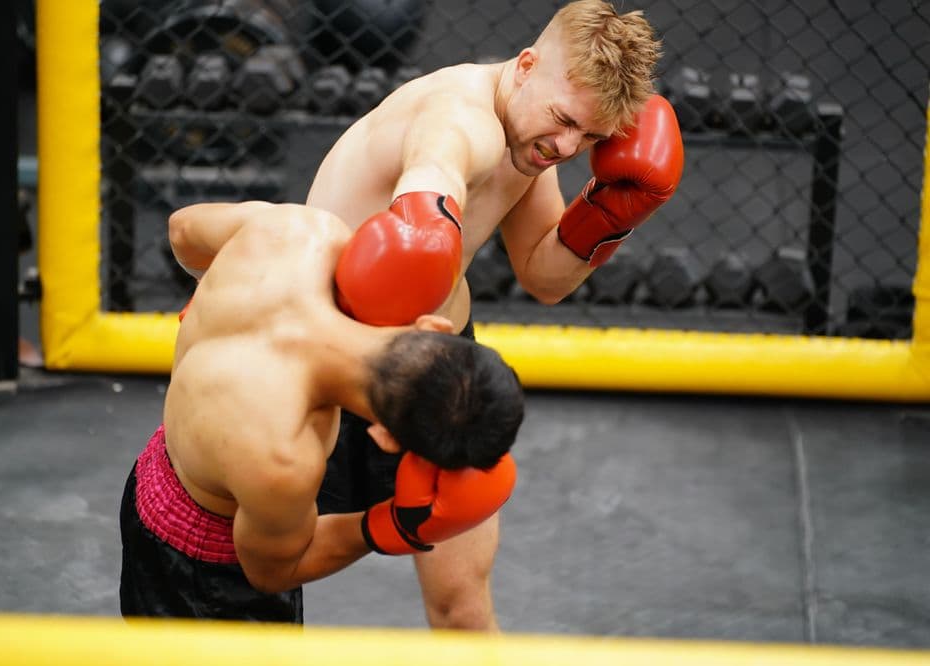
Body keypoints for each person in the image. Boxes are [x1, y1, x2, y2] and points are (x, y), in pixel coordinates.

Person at [305, 0, 684, 630]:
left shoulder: (531, 141)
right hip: (326, 361)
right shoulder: (460, 115)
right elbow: (437, 164)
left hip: (433, 362)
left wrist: (613, 213)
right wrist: (426, 209)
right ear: (527, 64)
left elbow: (544, 276)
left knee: (462, 604)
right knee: (255, 577)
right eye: (564, 121)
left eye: (589, 138)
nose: (567, 147)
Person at [119, 201, 524, 621]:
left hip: (172, 461)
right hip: (200, 573)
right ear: (385, 437)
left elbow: (183, 229)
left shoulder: (307, 233)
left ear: (433, 327)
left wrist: (218, 293)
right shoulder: (283, 457)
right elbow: (273, 570)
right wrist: (394, 526)